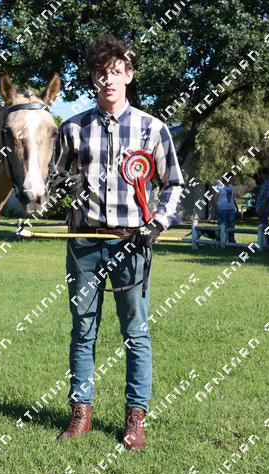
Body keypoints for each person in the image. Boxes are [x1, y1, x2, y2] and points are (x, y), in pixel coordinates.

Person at [50, 34, 184, 450]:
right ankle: (80, 414)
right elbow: (52, 179)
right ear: (93, 78)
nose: (108, 79)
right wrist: (63, 185)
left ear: (129, 75)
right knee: (82, 330)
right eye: (100, 73)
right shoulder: (73, 128)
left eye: (116, 71)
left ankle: (135, 419)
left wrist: (157, 222)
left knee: (135, 333)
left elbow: (174, 184)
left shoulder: (153, 128)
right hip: (84, 244)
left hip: (132, 244)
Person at [256, 168, 269, 245]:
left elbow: (267, 198)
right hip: (261, 208)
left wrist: (262, 209)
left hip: (264, 209)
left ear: (267, 174)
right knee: (263, 225)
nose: (262, 176)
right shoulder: (265, 183)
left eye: (262, 174)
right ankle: (266, 241)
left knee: (264, 226)